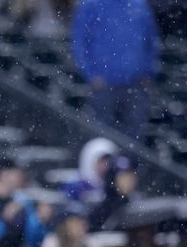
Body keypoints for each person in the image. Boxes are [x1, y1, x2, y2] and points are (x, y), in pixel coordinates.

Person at [71, 0, 160, 140]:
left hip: (135, 83)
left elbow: (152, 40)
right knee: (102, 136)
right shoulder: (90, 5)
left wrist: (147, 72)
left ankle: (130, 162)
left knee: (135, 138)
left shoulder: (139, 5)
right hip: (104, 85)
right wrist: (91, 74)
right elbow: (79, 43)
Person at [63, 137, 118, 203]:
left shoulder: (114, 186)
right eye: (101, 162)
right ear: (89, 160)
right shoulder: (75, 186)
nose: (105, 166)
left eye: (108, 163)